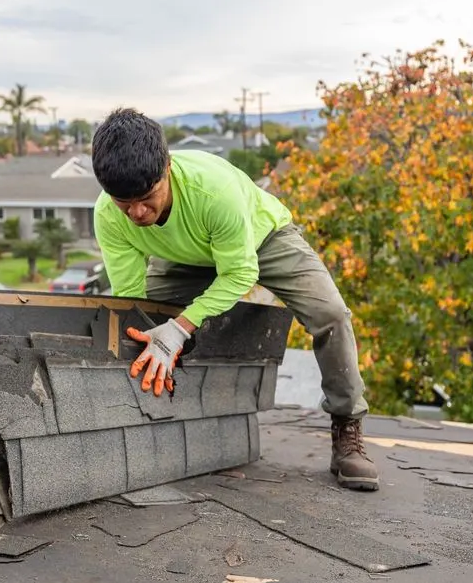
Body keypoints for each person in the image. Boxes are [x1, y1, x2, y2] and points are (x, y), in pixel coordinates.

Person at [92, 107, 379, 491]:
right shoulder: (109, 216)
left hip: (261, 241)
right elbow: (130, 297)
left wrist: (180, 328)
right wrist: (153, 337)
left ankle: (348, 426)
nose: (138, 213)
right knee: (139, 322)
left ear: (168, 168)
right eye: (124, 203)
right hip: (186, 258)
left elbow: (241, 273)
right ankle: (152, 414)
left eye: (147, 198)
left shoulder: (214, 192)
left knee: (331, 314)